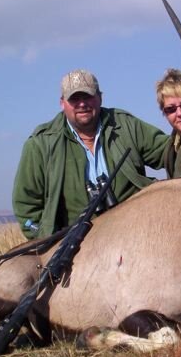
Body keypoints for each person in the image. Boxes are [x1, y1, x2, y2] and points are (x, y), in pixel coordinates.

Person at [13, 69, 169, 239]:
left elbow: (169, 152)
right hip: (78, 245)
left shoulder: (126, 125)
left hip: (137, 231)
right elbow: (25, 206)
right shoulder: (40, 144)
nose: (82, 104)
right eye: (74, 98)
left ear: (100, 98)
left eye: (87, 96)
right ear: (62, 103)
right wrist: (47, 240)